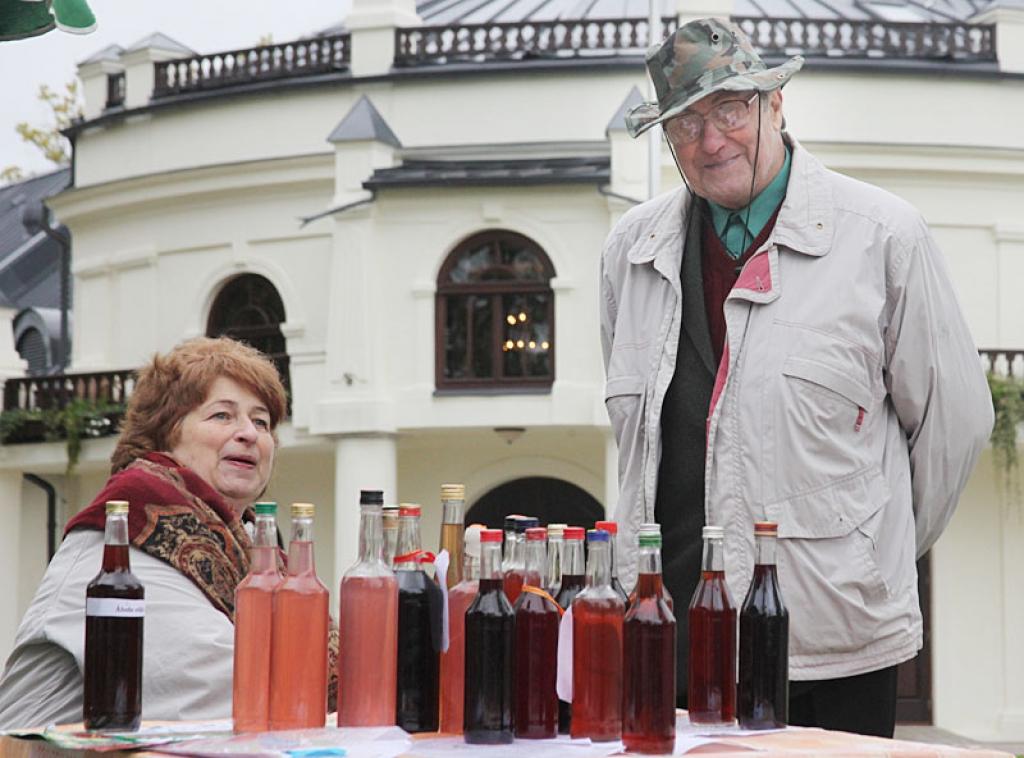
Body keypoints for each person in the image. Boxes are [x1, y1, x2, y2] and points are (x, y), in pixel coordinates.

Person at [601, 18, 993, 737]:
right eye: (686, 124)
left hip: (831, 649)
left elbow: (955, 426)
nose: (712, 140)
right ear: (668, 143)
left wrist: (867, 554)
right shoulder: (629, 250)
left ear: (776, 105)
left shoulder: (884, 235)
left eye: (730, 109)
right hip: (671, 639)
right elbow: (638, 442)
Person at [0, 337, 335, 728]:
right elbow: (220, 688)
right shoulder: (124, 538)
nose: (249, 433)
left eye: (261, 422)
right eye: (222, 416)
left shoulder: (249, 549)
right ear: (163, 434)